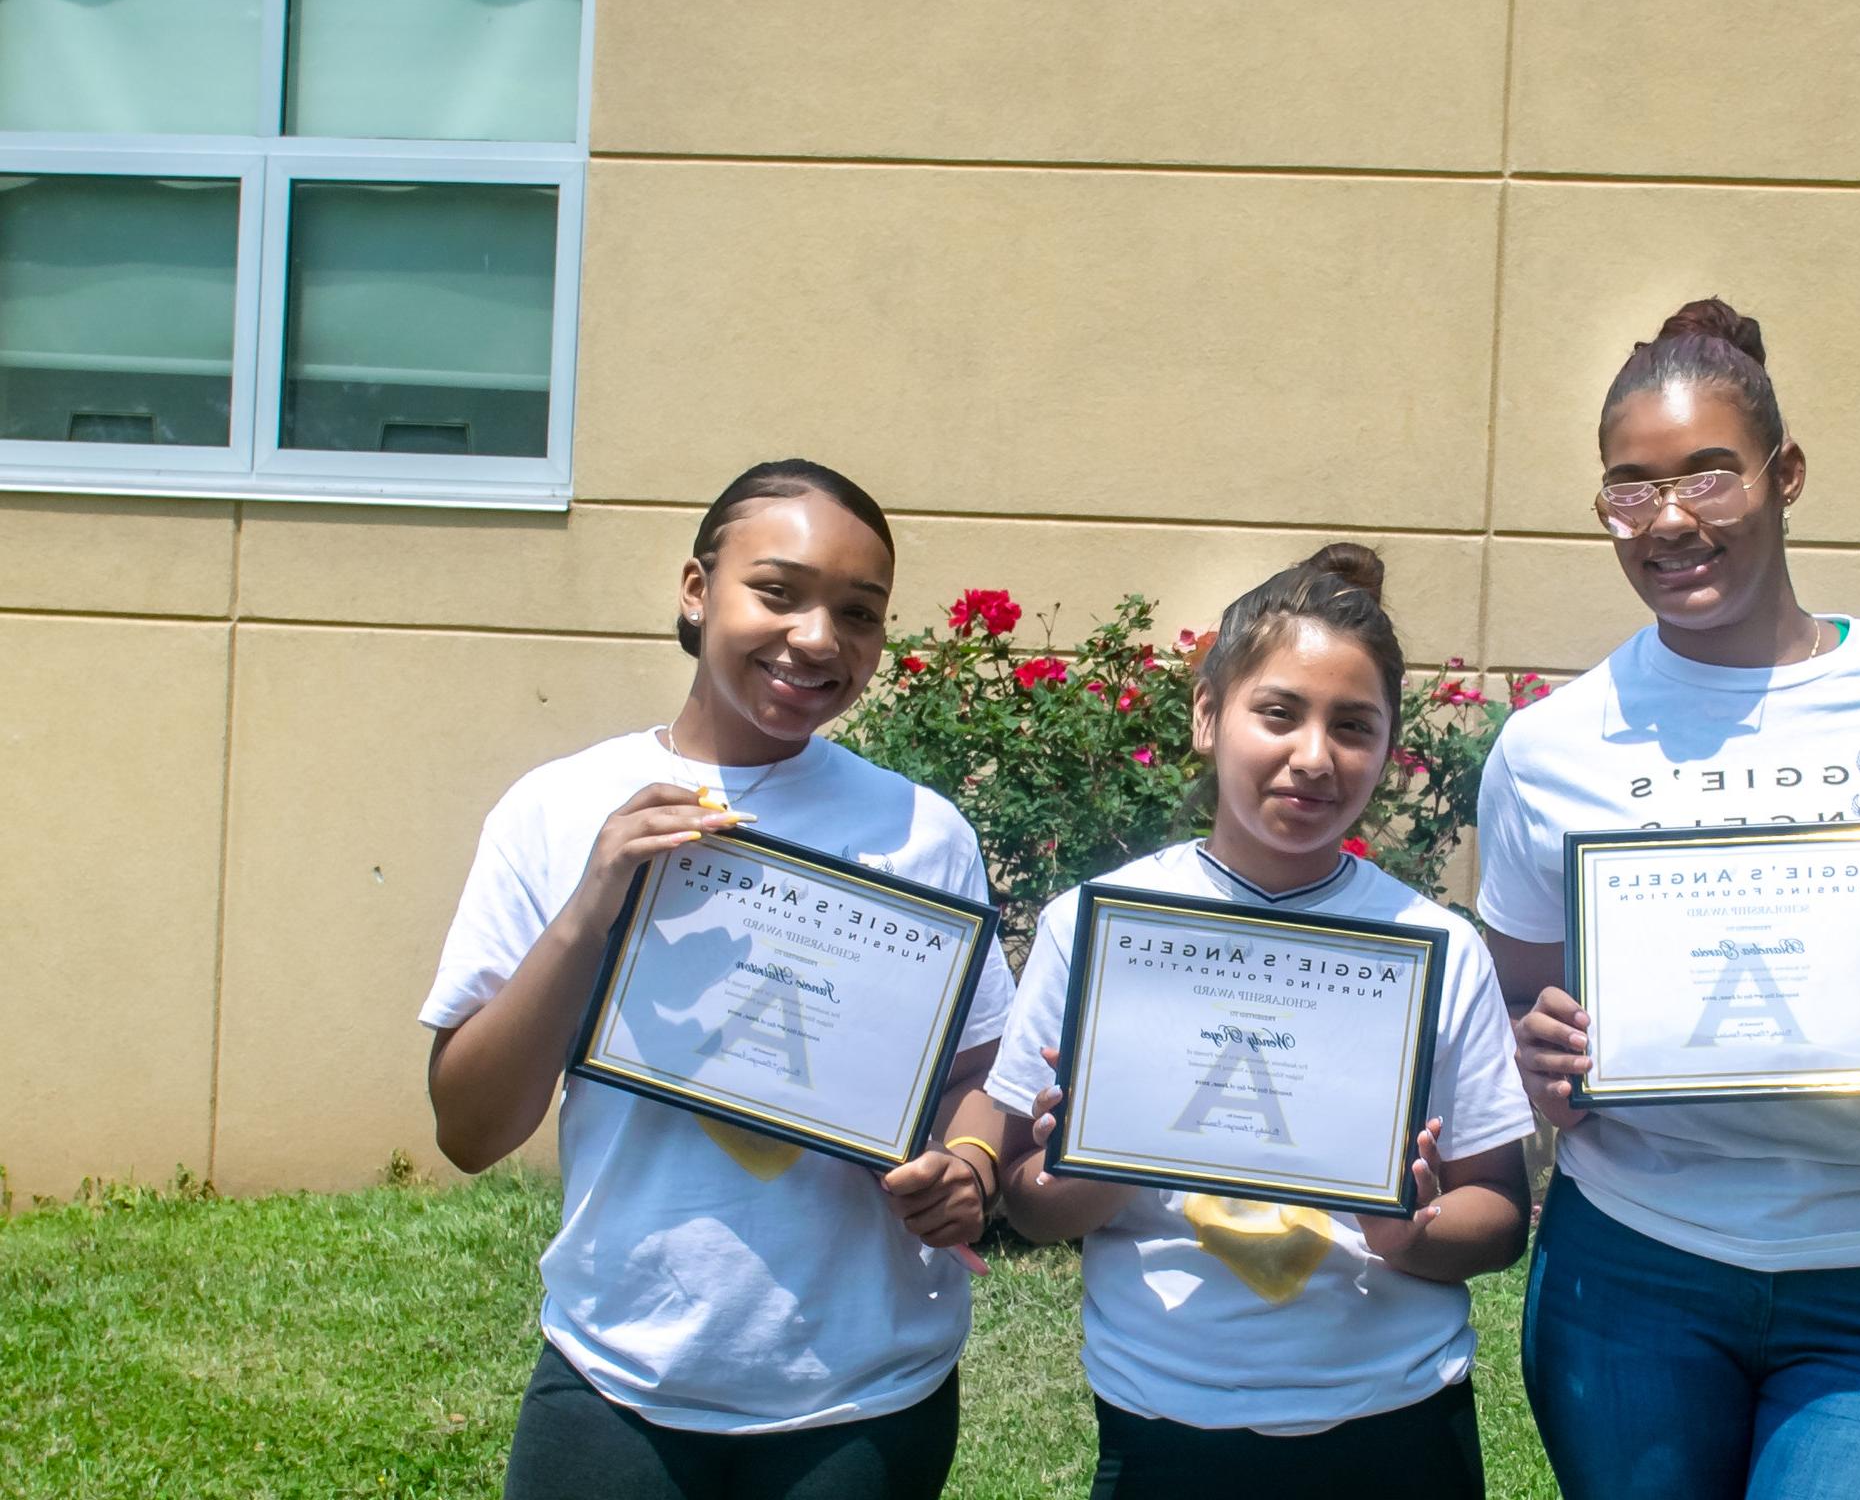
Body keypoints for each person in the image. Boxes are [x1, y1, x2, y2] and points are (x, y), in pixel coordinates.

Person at [1479, 299, 1860, 1499]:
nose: (1669, 519)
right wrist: (1536, 1051)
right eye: (1629, 488)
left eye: (1708, 476)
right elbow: (1514, 998)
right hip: (1632, 1268)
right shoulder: (1550, 746)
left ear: (1786, 473)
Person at [420, 458, 1015, 1500]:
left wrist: (970, 1159)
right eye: (777, 591)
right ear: (697, 590)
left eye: (859, 613)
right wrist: (596, 899)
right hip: (617, 1370)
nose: (818, 639)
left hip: (864, 1396)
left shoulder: (920, 832)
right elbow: (470, 1130)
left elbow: (981, 1064)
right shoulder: (558, 811)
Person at [985, 544, 1536, 1500]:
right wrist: (1096, 1162)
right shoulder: (1102, 926)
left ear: (1389, 747)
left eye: (1354, 726)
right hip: (1163, 1419)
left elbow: (1500, 1215)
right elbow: (1029, 1205)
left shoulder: (1436, 944)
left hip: (1396, 1419)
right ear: (1207, 717)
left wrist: (1408, 1227)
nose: (1313, 757)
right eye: (1278, 713)